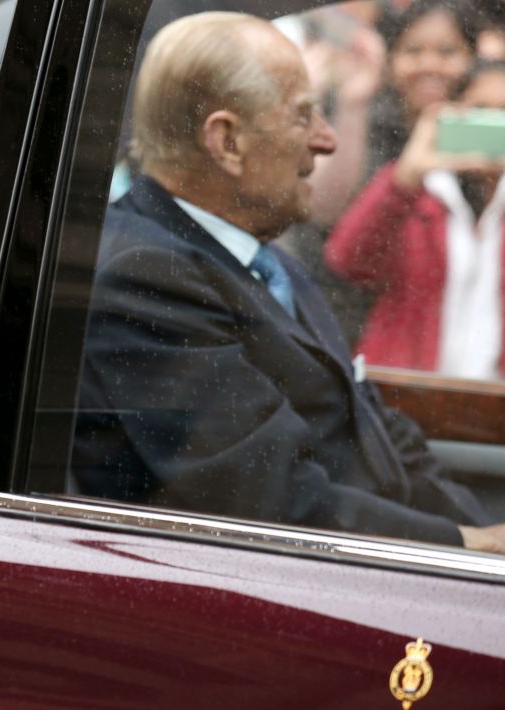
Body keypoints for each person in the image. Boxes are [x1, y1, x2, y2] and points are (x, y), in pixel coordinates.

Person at [71, 13, 505, 553]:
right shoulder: (145, 276)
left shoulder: (263, 258)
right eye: (304, 115)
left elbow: (377, 432)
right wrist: (467, 543)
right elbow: (273, 496)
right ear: (226, 142)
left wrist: (481, 530)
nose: (325, 140)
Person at [283, 0, 479, 346]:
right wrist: (353, 104)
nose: (429, 65)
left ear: (474, 58)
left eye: (448, 52)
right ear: (390, 59)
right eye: (412, 51)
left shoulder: (483, 139)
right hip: (352, 327)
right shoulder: (371, 123)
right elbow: (330, 224)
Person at [326, 61, 505, 378]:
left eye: (503, 112)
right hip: (404, 396)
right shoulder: (414, 192)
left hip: (492, 407)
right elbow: (346, 259)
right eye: (480, 109)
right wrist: (405, 177)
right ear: (454, 114)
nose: (493, 123)